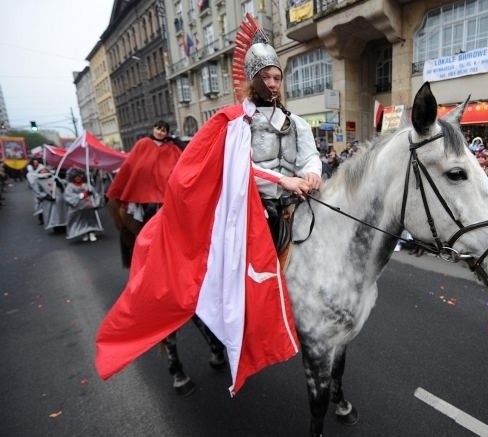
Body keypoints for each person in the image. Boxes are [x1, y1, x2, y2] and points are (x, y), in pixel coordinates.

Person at [96, 14, 322, 395]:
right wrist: (282, 179)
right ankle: (243, 312)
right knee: (238, 261)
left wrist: (312, 174)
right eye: (263, 77)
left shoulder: (297, 122)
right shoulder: (236, 122)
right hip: (248, 206)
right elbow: (236, 169)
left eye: (276, 77)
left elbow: (311, 157)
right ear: (252, 81)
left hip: (294, 201)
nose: (271, 83)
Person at [106, 120, 182, 267]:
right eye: (158, 129)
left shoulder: (172, 148)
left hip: (165, 196)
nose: (160, 132)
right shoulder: (143, 144)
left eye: (163, 130)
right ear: (153, 129)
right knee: (136, 220)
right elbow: (131, 166)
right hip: (141, 197)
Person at [63, 168, 103, 242]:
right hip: (78, 208)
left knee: (91, 220)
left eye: (79, 176)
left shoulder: (87, 185)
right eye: (76, 177)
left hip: (89, 207)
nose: (78, 178)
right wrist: (82, 195)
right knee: (81, 221)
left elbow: (96, 194)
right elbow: (68, 197)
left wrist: (95, 202)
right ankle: (84, 233)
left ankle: (91, 232)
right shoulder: (70, 186)